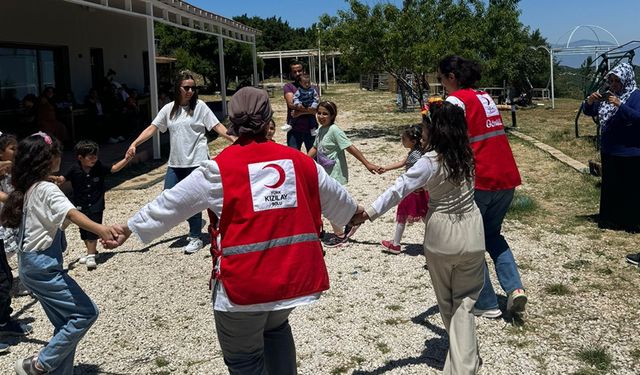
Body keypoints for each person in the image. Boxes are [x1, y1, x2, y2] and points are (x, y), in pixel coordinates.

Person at [103, 87, 361, 375]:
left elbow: (171, 203)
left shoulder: (218, 170)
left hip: (242, 288)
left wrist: (128, 227)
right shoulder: (301, 163)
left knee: (245, 361)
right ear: (268, 120)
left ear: (233, 121)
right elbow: (346, 207)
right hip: (290, 280)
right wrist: (363, 212)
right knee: (276, 330)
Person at [352, 102, 485, 374]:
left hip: (442, 234)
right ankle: (466, 360)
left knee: (449, 303)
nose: (421, 131)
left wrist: (369, 213)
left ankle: (463, 367)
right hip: (473, 231)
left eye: (425, 126)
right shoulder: (468, 155)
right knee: (466, 301)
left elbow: (399, 188)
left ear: (436, 129)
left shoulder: (429, 162)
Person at [1, 132, 116, 375]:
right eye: (57, 153)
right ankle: (39, 364)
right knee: (85, 313)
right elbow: (72, 214)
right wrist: (102, 230)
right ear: (48, 158)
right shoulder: (46, 189)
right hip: (43, 266)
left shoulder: (30, 187)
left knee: (66, 323)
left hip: (29, 264)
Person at [438, 55, 527, 319]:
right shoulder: (484, 97)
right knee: (493, 235)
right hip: (506, 176)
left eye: (441, 78)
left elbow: (448, 142)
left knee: (471, 241)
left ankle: (486, 303)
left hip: (481, 178)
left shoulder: (455, 102)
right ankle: (515, 288)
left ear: (452, 77)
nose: (441, 83)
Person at [126, 70, 235, 254]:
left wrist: (233, 139)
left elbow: (216, 126)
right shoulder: (169, 109)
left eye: (193, 88)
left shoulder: (200, 107)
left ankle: (195, 236)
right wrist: (135, 143)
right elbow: (152, 128)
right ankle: (193, 223)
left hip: (197, 161)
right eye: (187, 87)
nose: (190, 91)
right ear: (178, 88)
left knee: (192, 199)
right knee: (168, 196)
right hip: (176, 163)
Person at [582, 63, 640, 265]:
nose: (614, 84)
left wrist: (621, 105)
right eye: (612, 80)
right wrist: (589, 102)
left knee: (631, 189)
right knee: (611, 187)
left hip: (631, 152)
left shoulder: (635, 96)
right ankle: (610, 219)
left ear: (626, 80)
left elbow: (637, 117)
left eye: (618, 81)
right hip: (610, 151)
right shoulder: (607, 96)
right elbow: (589, 112)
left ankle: (631, 222)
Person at [307, 100, 380, 247]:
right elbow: (315, 147)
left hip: (335, 173)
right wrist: (303, 161)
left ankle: (340, 235)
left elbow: (350, 147)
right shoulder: (321, 130)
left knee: (330, 205)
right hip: (325, 174)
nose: (321, 116)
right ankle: (358, 215)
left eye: (325, 114)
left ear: (332, 115)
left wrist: (367, 163)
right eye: (319, 113)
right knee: (334, 203)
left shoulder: (335, 130)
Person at [55, 140, 132, 270]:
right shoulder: (74, 169)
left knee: (93, 230)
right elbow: (62, 179)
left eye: (95, 156)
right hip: (80, 204)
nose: (94, 159)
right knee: (83, 230)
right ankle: (92, 252)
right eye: (90, 157)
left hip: (96, 204)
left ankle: (91, 254)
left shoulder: (99, 167)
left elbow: (114, 169)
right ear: (80, 157)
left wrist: (127, 159)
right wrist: (54, 179)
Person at [0, 134, 33, 352]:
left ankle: (4, 321)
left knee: (5, 279)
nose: (16, 152)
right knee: (2, 282)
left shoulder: (11, 171)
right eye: (12, 149)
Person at [378, 124, 430, 254]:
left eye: (404, 139)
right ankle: (433, 242)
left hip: (412, 190)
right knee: (426, 216)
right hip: (419, 190)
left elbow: (418, 171)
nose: (402, 140)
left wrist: (418, 186)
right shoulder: (416, 152)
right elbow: (402, 163)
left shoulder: (416, 156)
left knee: (402, 215)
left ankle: (395, 244)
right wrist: (386, 168)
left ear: (413, 141)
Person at [283, 61, 318, 152]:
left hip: (311, 129)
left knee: (314, 159)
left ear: (304, 71)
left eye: (299, 71)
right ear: (291, 73)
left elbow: (317, 107)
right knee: (293, 158)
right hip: (294, 130)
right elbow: (291, 104)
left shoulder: (313, 87)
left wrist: (298, 113)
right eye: (294, 72)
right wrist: (309, 110)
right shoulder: (289, 86)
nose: (297, 73)